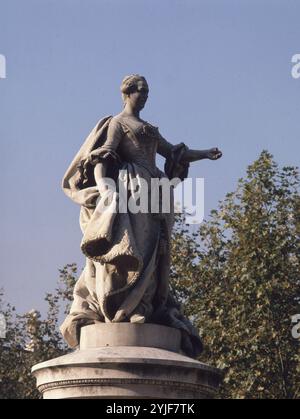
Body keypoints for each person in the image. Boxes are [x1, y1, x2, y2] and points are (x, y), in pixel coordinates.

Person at [61, 74, 222, 358]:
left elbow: (174, 152)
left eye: (147, 91)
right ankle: (124, 308)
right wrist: (105, 189)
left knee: (153, 250)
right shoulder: (117, 123)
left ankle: (144, 307)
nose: (145, 96)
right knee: (130, 247)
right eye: (141, 91)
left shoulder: (149, 128)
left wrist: (205, 154)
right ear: (128, 93)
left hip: (155, 190)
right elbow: (104, 156)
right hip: (131, 188)